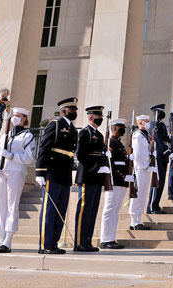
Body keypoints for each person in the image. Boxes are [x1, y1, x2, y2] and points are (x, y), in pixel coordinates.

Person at [35, 97, 78, 255]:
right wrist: (40, 171)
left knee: (61, 209)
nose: (74, 112)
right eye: (71, 110)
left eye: (75, 110)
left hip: (65, 173)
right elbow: (44, 147)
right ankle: (45, 244)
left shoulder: (72, 128)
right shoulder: (55, 124)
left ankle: (54, 243)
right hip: (52, 172)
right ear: (64, 111)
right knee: (49, 210)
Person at [0, 106, 35, 253]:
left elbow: (29, 157)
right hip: (2, 172)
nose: (15, 118)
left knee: (12, 205)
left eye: (19, 116)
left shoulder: (28, 136)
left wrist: (11, 156)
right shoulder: (6, 135)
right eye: (14, 115)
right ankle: (0, 238)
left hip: (16, 172)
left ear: (24, 119)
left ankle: (8, 240)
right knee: (0, 205)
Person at [74, 105, 109, 252]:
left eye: (100, 117)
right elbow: (80, 155)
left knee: (92, 210)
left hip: (97, 178)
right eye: (97, 117)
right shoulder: (84, 133)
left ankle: (87, 241)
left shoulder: (99, 135)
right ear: (90, 117)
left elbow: (100, 154)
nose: (100, 119)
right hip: (87, 176)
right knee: (84, 210)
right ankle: (79, 242)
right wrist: (95, 167)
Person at [100, 118, 129, 249]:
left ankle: (111, 238)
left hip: (121, 181)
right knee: (109, 209)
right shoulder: (110, 142)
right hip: (114, 180)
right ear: (113, 129)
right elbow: (111, 164)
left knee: (115, 211)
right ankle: (105, 239)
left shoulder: (119, 143)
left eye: (123, 127)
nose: (122, 130)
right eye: (119, 127)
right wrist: (123, 175)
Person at [129, 114, 153, 230]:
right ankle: (134, 221)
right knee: (137, 195)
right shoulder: (137, 136)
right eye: (146, 121)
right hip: (140, 169)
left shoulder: (145, 135)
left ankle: (138, 220)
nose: (148, 123)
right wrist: (145, 166)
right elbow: (138, 154)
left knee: (143, 195)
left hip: (146, 169)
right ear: (140, 122)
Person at [148, 104, 171, 214]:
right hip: (158, 156)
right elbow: (157, 140)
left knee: (161, 182)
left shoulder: (161, 124)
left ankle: (156, 204)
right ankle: (152, 206)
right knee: (156, 181)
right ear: (156, 113)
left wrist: (170, 138)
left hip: (163, 157)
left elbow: (164, 138)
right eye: (160, 112)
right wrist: (167, 151)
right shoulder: (154, 124)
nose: (162, 113)